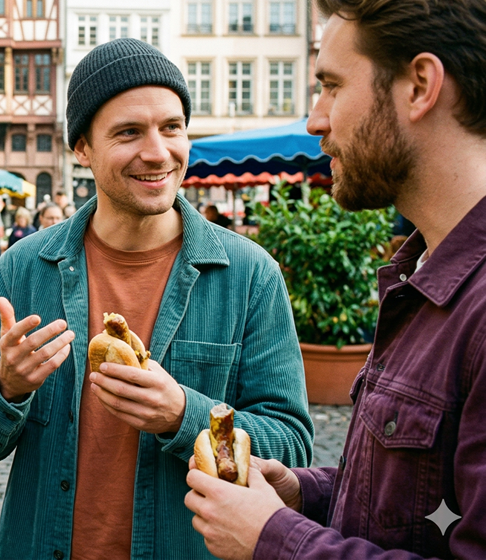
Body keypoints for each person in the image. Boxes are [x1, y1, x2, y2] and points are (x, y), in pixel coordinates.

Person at [0, 38, 312, 559]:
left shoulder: (250, 275)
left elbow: (292, 447)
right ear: (82, 148)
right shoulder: (25, 269)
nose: (158, 151)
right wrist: (6, 385)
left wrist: (182, 413)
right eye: (128, 132)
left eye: (171, 127)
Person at [185, 1, 486, 558]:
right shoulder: (423, 274)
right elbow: (425, 507)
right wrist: (307, 493)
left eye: (331, 85)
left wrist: (272, 538)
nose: (315, 119)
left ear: (420, 86)